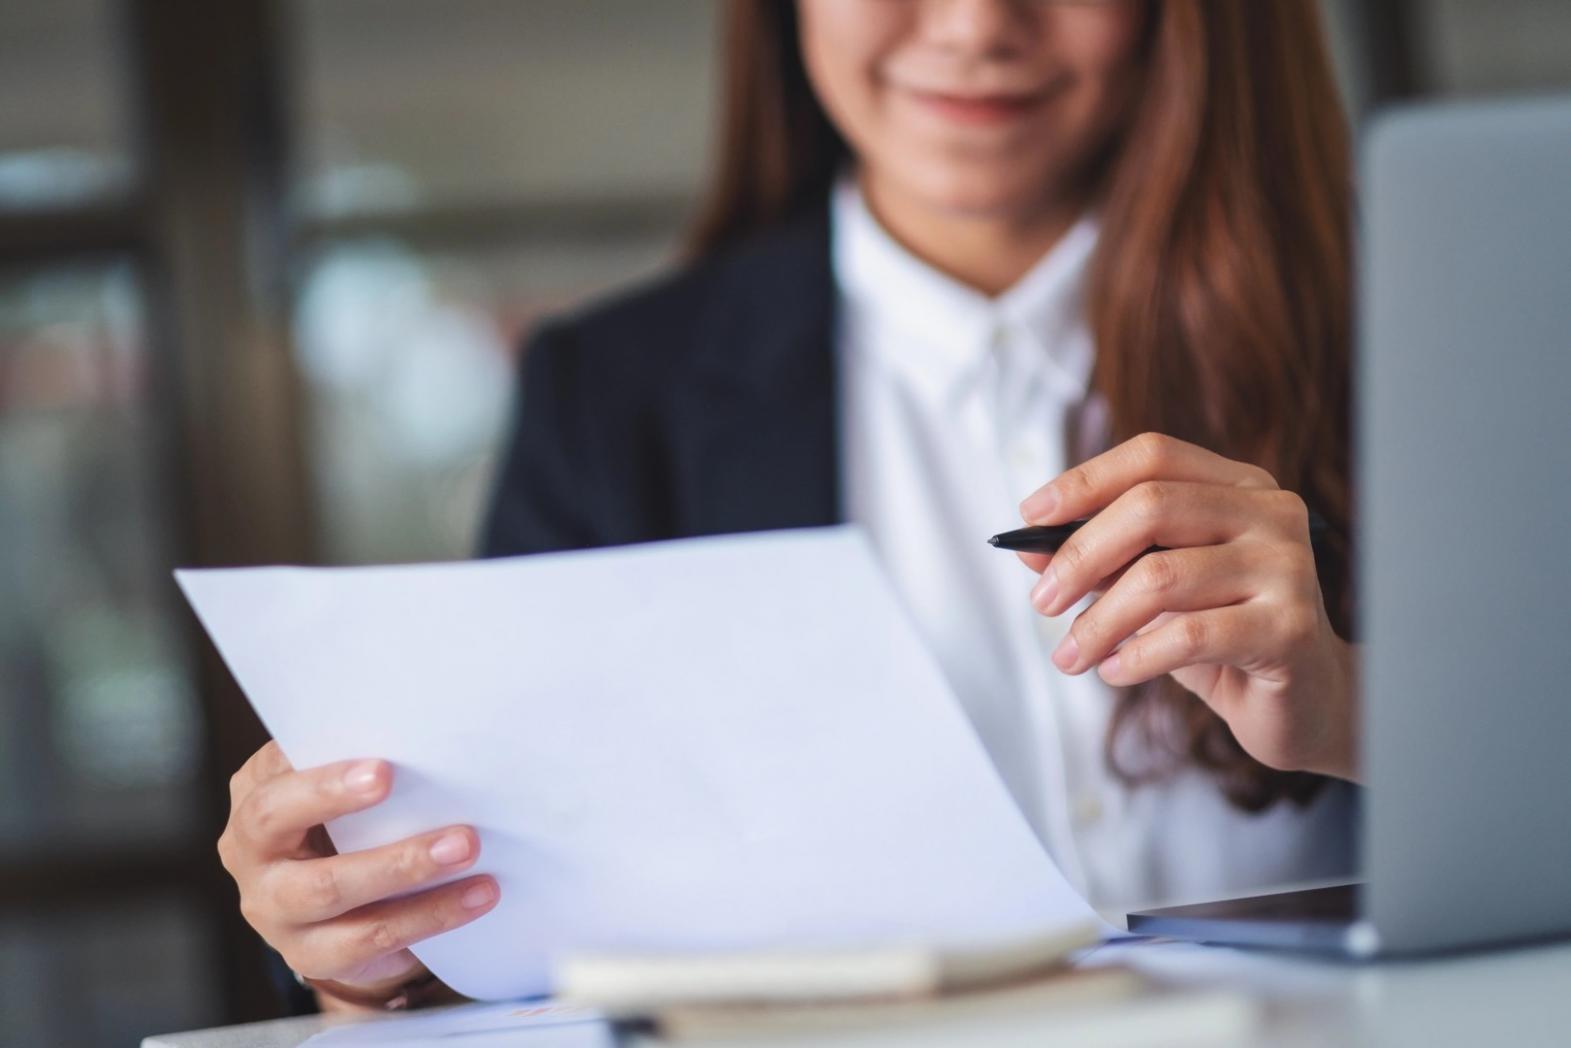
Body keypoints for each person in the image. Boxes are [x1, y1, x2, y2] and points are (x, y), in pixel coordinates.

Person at [218, 0, 1361, 1012]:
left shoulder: (1402, 337)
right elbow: (514, 923)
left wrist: (1359, 712)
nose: (972, 25)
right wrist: (364, 946)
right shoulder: (610, 402)